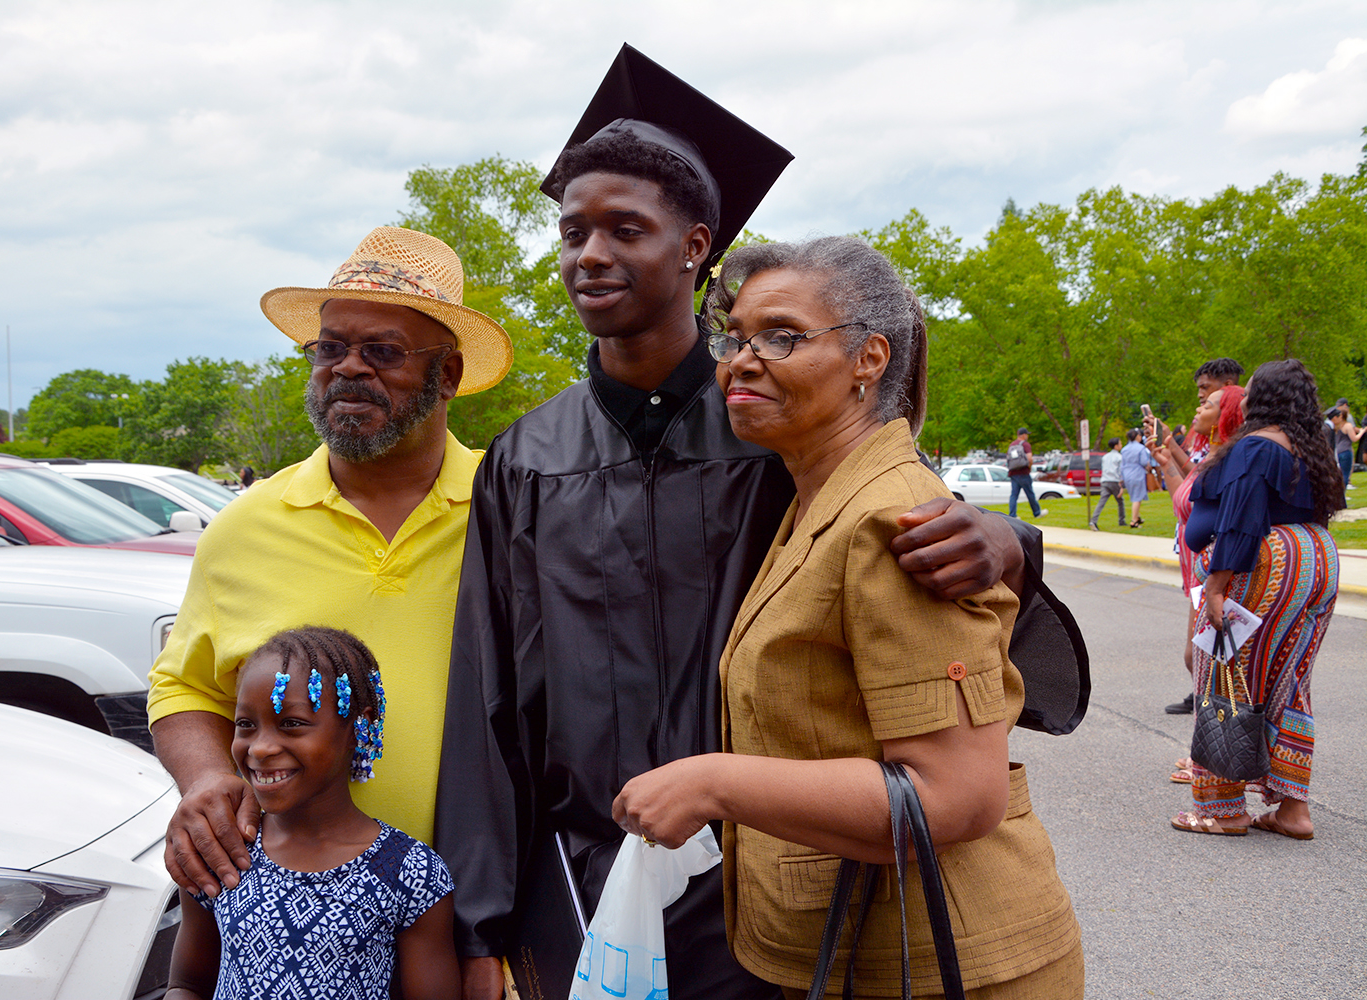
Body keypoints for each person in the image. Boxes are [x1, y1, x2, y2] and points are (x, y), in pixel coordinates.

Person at [438, 46, 1083, 1000]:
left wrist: (1009, 543)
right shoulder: (526, 463)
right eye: (573, 231)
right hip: (586, 881)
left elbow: (906, 560)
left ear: (696, 247)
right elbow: (486, 704)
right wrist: (480, 927)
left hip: (776, 876)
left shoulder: (785, 432)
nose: (591, 254)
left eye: (625, 228)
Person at [612, 237, 1082, 997]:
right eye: (734, 339)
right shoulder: (812, 500)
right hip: (861, 949)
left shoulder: (893, 521)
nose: (742, 359)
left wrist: (715, 782)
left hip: (945, 964)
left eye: (782, 336)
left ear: (869, 359)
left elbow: (957, 795)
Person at [149, 227, 513, 900]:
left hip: (482, 913)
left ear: (450, 375)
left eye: (382, 351)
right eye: (330, 348)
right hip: (299, 922)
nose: (348, 368)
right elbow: (185, 687)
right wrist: (204, 778)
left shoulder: (513, 514)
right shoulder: (246, 526)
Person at [165, 627, 458, 1000]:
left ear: (359, 726)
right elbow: (187, 985)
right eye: (245, 725)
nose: (260, 748)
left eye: (291, 723)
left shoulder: (410, 873)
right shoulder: (222, 849)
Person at [1172, 359, 1344, 838]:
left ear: (1264, 398)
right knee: (1292, 681)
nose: (1241, 398)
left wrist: (1216, 584)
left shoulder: (1255, 447)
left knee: (1223, 671)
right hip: (1318, 559)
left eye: (1249, 391)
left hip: (1268, 561)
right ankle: (1293, 811)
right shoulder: (1314, 448)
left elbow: (1242, 518)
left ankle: (1222, 810)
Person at [1150, 386, 1242, 750]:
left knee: (1205, 659)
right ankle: (1209, 749)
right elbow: (1184, 501)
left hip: (1215, 573)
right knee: (1202, 660)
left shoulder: (1231, 459)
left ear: (1227, 415)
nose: (1198, 406)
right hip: (1197, 575)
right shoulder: (1211, 457)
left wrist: (1217, 582)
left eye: (1207, 403)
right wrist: (1167, 462)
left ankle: (1215, 753)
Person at [1006, 426, 1044, 519]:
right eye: (1026, 434)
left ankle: (1012, 515)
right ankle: (1037, 512)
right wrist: (1029, 467)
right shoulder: (1025, 445)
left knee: (1014, 495)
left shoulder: (1012, 445)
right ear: (1023, 435)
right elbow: (1030, 458)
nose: (1027, 436)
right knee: (1030, 493)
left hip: (1013, 473)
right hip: (1023, 472)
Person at [1327, 402, 1362, 501]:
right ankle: (1342, 496)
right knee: (1345, 474)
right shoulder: (1347, 426)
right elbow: (1354, 439)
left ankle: (1338, 494)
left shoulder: (1336, 427)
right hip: (1346, 450)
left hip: (1337, 450)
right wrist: (1362, 432)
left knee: (1339, 474)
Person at [1089, 437, 1125, 530]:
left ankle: (1093, 520)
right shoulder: (1119, 457)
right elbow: (1120, 471)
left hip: (1105, 480)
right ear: (1116, 446)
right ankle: (1121, 520)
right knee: (1120, 501)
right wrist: (1122, 483)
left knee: (1102, 501)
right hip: (1115, 480)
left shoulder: (1105, 456)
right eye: (1120, 444)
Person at [1118, 429, 1153, 527]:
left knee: (1134, 495)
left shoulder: (1124, 449)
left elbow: (1122, 464)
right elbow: (1143, 462)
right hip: (1137, 473)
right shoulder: (1141, 448)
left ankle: (1137, 516)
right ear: (1137, 436)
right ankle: (1134, 520)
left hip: (1127, 474)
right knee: (1137, 497)